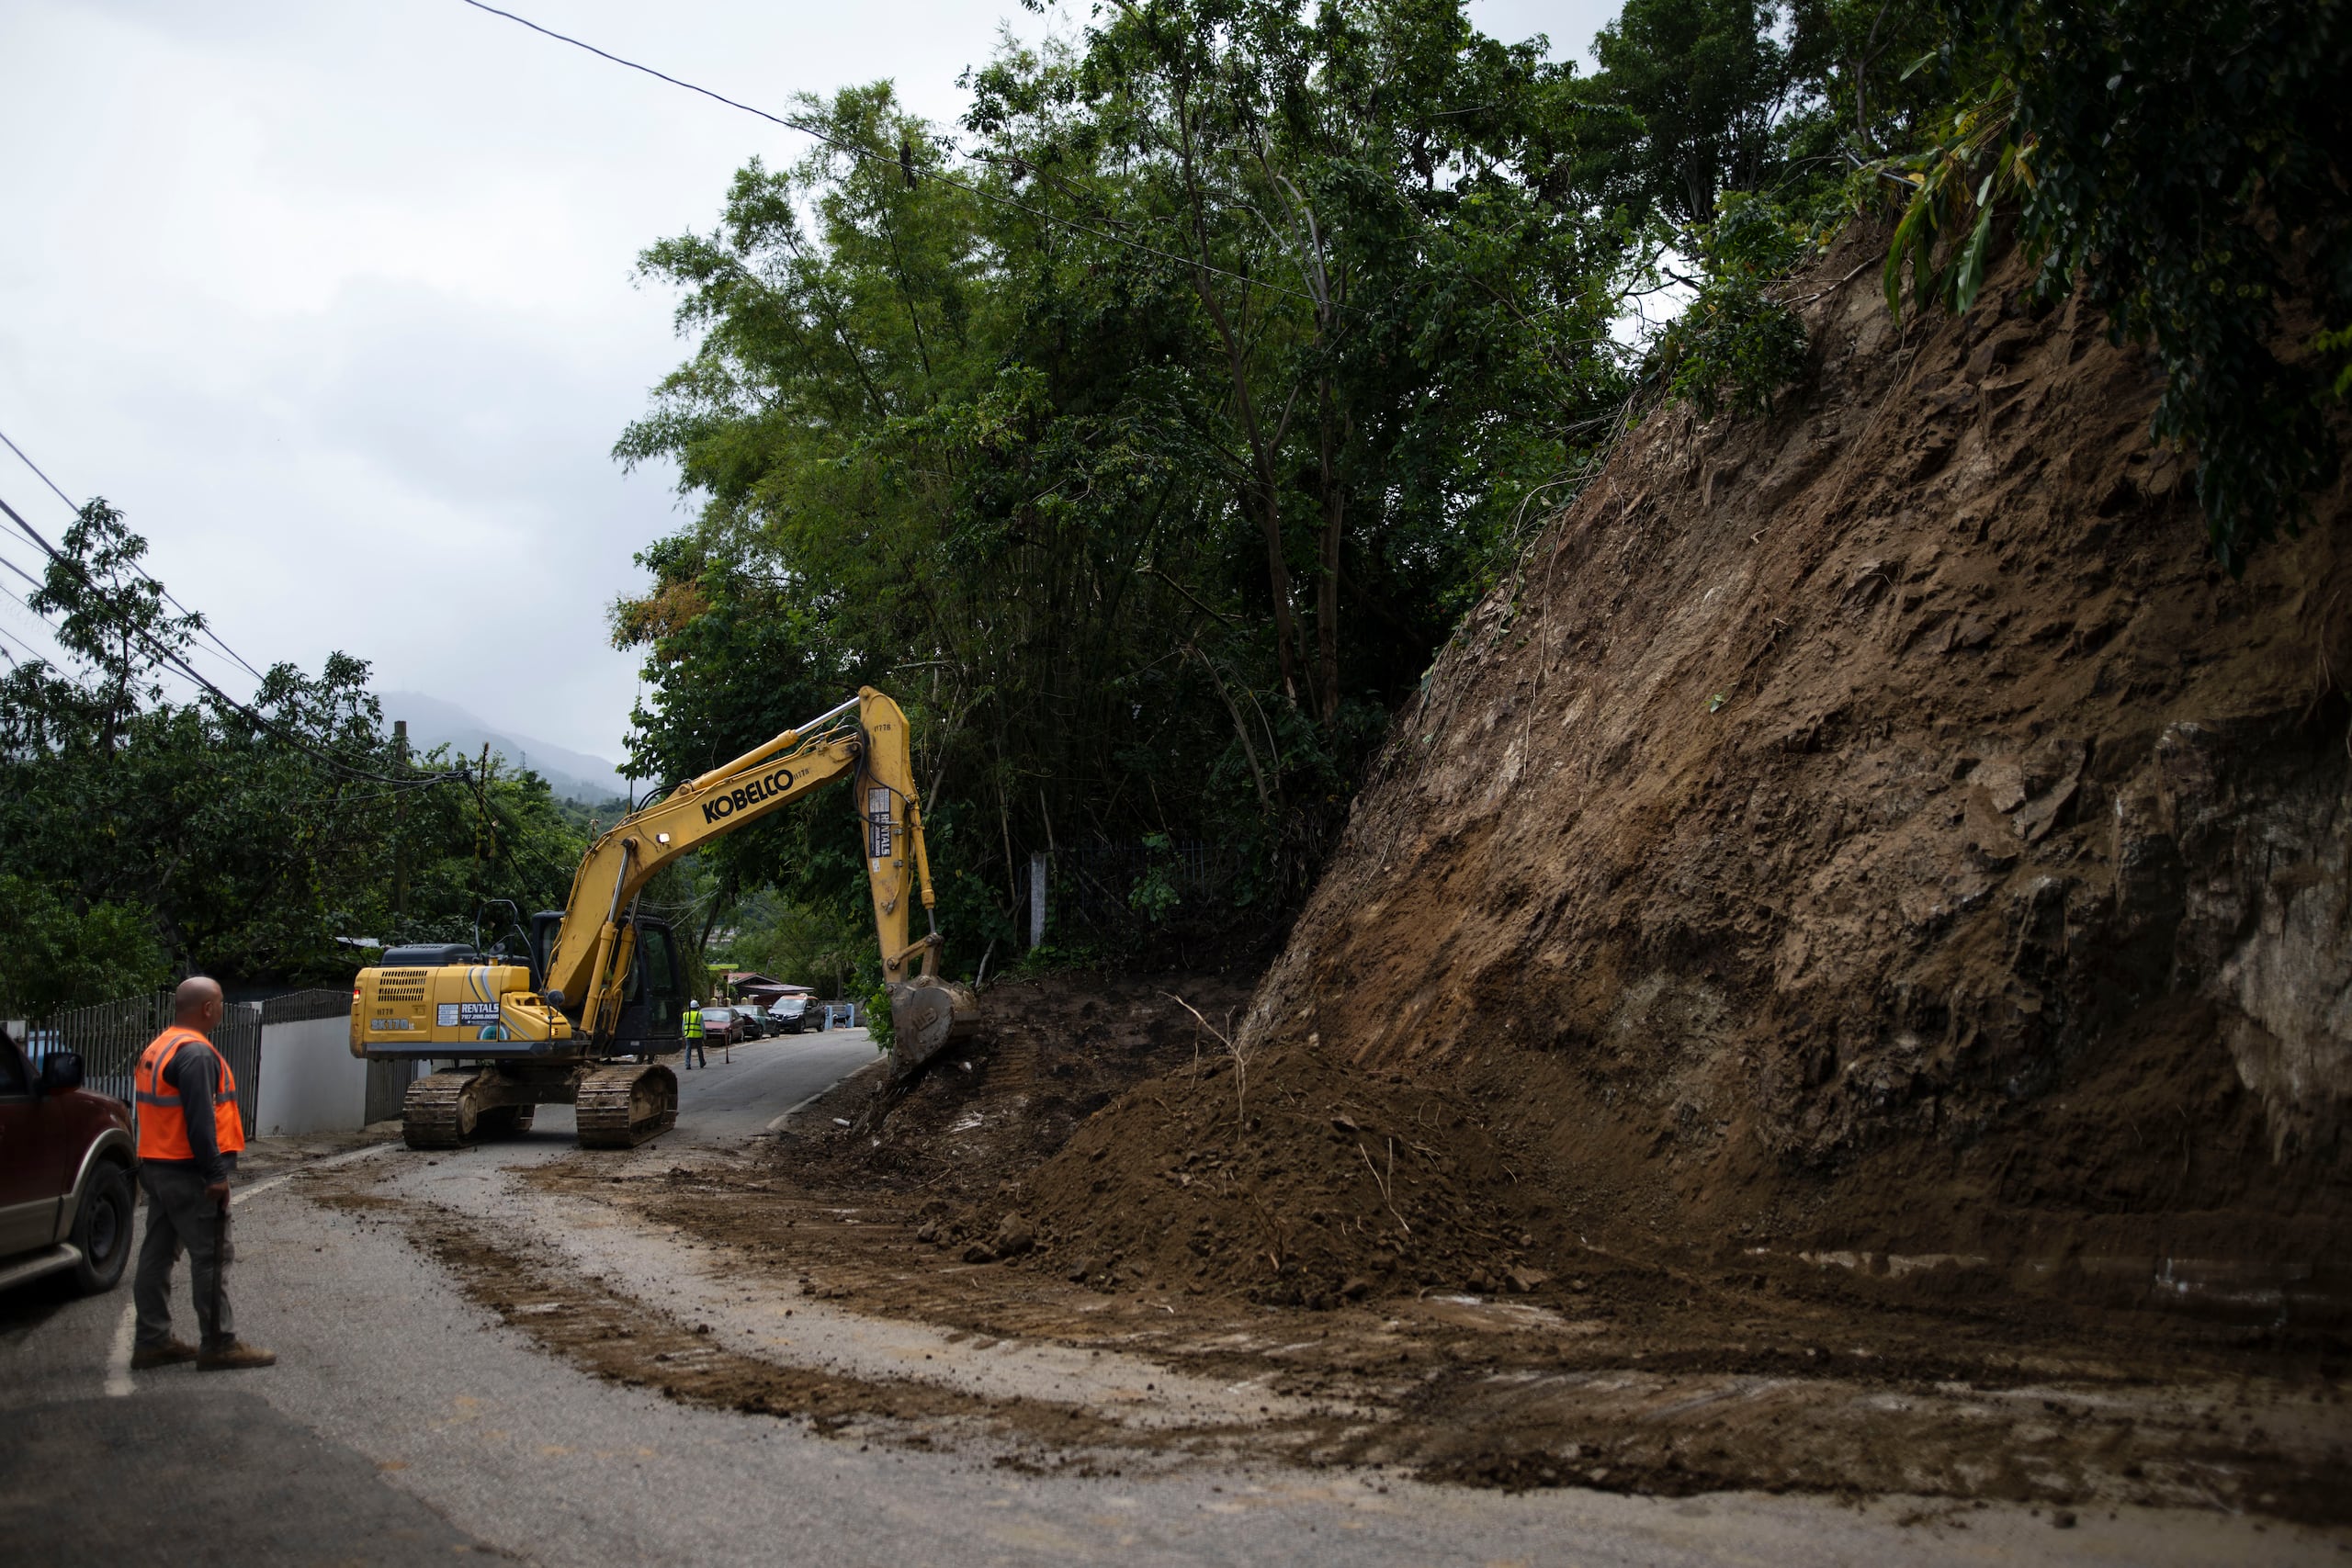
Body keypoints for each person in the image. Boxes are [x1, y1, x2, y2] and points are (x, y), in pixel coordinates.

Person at [130, 976, 276, 1371]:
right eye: (222, 1002)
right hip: (189, 1173)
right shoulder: (196, 1054)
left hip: (157, 1167)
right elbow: (200, 1123)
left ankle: (151, 1341)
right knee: (212, 1256)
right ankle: (219, 1344)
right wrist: (215, 1175)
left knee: (157, 1255)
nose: (224, 1007)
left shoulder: (161, 1045)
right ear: (208, 1008)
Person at [681, 998, 707, 1070]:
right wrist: (704, 1036)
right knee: (699, 1050)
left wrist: (684, 1035)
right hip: (697, 1035)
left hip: (688, 1035)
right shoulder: (699, 1014)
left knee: (688, 1050)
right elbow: (702, 1027)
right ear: (697, 1007)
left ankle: (687, 1064)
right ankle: (702, 1062)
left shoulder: (685, 1015)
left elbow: (683, 1026)